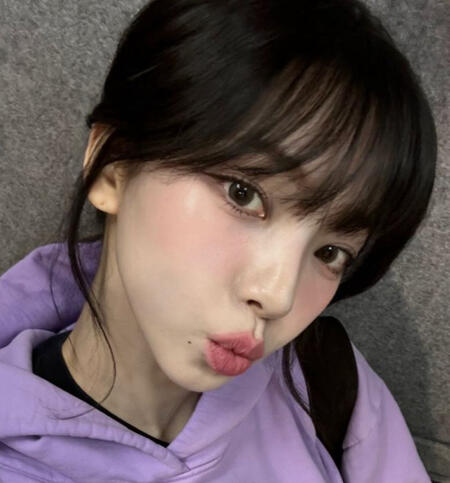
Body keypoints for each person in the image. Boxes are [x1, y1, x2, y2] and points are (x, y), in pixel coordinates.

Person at [0, 0, 437, 481]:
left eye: (330, 253)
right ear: (113, 167)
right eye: (244, 194)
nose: (278, 296)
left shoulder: (327, 384)